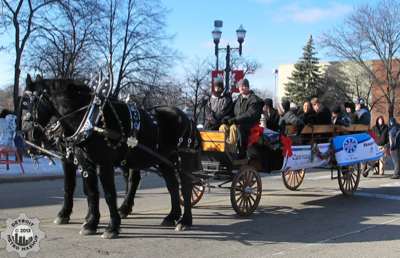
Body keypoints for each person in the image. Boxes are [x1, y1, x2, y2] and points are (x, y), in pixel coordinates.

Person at [220, 78, 263, 157]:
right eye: (240, 86)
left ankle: (234, 152)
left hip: (250, 126)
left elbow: (249, 114)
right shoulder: (237, 100)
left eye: (243, 86)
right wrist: (227, 118)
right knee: (223, 127)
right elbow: (233, 113)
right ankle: (224, 149)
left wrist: (234, 120)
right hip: (238, 124)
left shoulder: (255, 100)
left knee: (234, 128)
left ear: (248, 87)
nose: (241, 88)